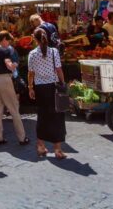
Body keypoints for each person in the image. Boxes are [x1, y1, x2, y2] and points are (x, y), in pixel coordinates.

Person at [28, 28, 67, 159]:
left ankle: (40, 146)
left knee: (42, 116)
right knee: (57, 117)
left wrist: (30, 88)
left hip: (40, 88)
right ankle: (57, 149)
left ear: (35, 39)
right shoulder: (53, 51)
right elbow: (59, 69)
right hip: (53, 87)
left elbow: (31, 73)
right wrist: (63, 82)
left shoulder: (32, 54)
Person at [0, 31, 29, 146]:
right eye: (8, 40)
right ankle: (22, 137)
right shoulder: (5, 51)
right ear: (4, 39)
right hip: (4, 80)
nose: (9, 43)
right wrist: (15, 64)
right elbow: (9, 65)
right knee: (14, 109)